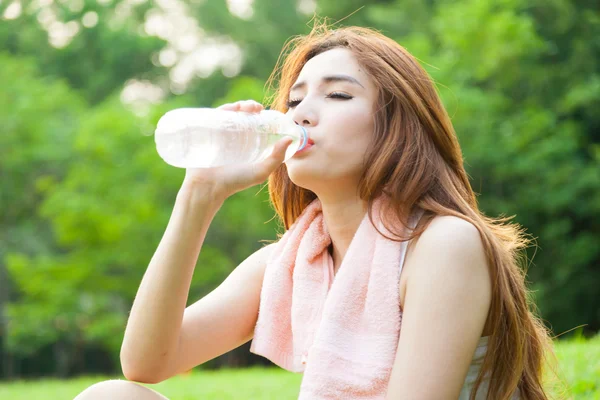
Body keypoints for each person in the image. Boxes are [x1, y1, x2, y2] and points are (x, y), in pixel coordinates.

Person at [74, 23, 558, 400]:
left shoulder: (442, 244)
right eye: (295, 98)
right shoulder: (294, 262)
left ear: (397, 127)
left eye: (338, 94)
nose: (300, 113)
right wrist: (199, 195)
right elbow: (146, 363)